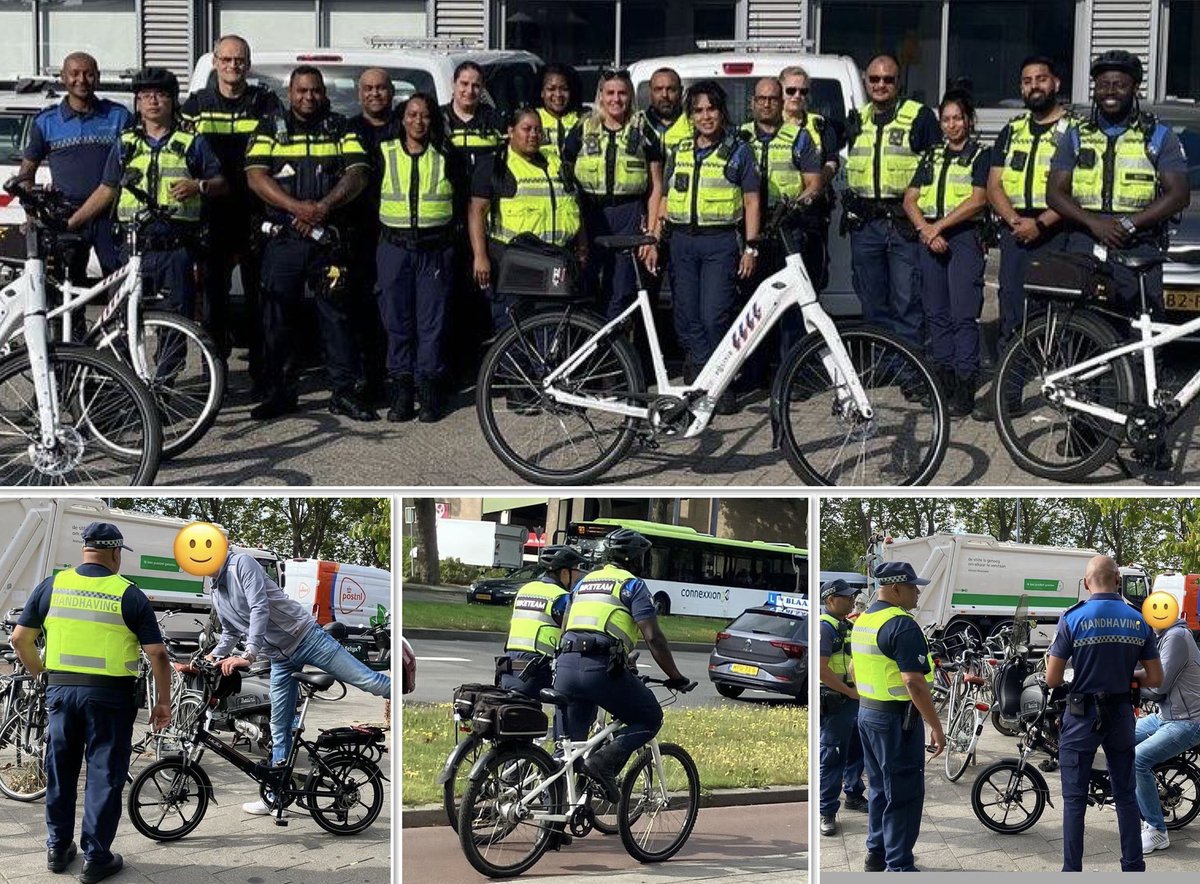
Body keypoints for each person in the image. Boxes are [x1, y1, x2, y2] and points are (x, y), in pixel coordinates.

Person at [9, 523, 171, 884]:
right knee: (103, 775)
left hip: (62, 694)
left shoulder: (53, 586)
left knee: (61, 770)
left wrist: (42, 676)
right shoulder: (128, 594)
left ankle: (57, 848)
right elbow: (157, 653)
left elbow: (20, 640)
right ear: (115, 553)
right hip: (110, 697)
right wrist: (163, 702)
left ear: (85, 551)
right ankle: (96, 858)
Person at [207, 546, 391, 815]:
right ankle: (275, 795)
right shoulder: (216, 588)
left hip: (307, 638)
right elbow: (231, 630)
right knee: (279, 726)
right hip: (280, 658)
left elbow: (260, 608)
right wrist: (213, 656)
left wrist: (248, 654)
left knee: (369, 681)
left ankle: (403, 698)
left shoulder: (241, 564)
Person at [245, 65, 375, 422]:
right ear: (290, 93)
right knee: (276, 319)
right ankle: (279, 393)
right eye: (301, 91)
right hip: (283, 240)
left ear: (324, 93)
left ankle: (343, 393)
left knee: (336, 317)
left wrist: (324, 207)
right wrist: (297, 209)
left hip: (328, 240)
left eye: (315, 91)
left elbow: (359, 172)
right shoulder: (269, 127)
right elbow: (256, 177)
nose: (309, 97)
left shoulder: (341, 126)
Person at [67, 68, 227, 324]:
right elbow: (107, 190)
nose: (153, 101)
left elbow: (221, 183)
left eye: (161, 95)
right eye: (146, 96)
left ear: (173, 101)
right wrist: (71, 223)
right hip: (131, 249)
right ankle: (123, 366)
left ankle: (170, 366)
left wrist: (199, 186)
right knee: (122, 321)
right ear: (138, 103)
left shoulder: (192, 142)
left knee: (174, 325)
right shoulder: (126, 143)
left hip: (175, 250)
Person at [1047, 50, 1191, 317]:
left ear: (1135, 88)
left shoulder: (1158, 135)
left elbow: (1179, 194)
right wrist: (1094, 223)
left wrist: (1130, 223)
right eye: (1102, 85)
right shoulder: (1076, 135)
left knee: (1141, 334)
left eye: (1119, 84)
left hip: (1139, 241)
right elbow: (1054, 193)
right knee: (1083, 328)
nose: (1109, 91)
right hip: (1085, 240)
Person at [553, 528, 691, 803]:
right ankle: (603, 763)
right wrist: (675, 676)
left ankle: (553, 826)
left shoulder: (583, 584)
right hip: (599, 671)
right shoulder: (632, 585)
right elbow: (654, 637)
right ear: (635, 559)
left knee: (567, 753)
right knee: (649, 716)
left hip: (565, 668)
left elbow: (568, 627)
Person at [1046, 554, 1162, 871]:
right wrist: (1130, 676)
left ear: (1086, 583)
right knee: (1125, 795)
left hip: (1081, 715)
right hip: (1122, 713)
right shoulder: (1138, 619)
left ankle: (1072, 871)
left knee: (1073, 800)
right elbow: (1155, 678)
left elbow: (1053, 679)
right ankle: (1133, 866)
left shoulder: (1072, 618)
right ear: (1118, 581)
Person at [181, 35, 284, 384]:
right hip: (212, 213)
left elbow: (283, 150)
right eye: (226, 60)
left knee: (261, 297)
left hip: (257, 211)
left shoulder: (265, 103)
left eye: (239, 60)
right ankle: (215, 375)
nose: (232, 66)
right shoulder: (197, 104)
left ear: (248, 64)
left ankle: (262, 373)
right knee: (213, 302)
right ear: (215, 62)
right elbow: (181, 154)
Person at [661, 80, 761, 411]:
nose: (706, 117)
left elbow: (751, 202)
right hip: (682, 242)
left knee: (714, 317)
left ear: (722, 112)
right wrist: (656, 237)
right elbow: (665, 196)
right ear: (690, 116)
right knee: (686, 317)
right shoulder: (679, 151)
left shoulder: (738, 151)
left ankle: (719, 384)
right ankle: (701, 383)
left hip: (719, 244)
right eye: (698, 110)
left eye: (711, 109)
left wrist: (751, 247)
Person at [850, 561, 946, 873]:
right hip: (895, 722)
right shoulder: (902, 624)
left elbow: (853, 669)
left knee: (879, 788)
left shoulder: (864, 620)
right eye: (912, 586)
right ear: (895, 589)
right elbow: (914, 682)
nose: (918, 592)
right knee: (903, 795)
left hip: (868, 714)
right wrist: (935, 725)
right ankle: (900, 867)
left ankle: (876, 854)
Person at [983, 56, 1076, 371]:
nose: (1034, 86)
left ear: (1056, 83)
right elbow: (994, 185)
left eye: (1041, 78)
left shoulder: (1076, 130)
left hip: (1058, 231)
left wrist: (1040, 223)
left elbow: (1079, 188)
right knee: (1012, 312)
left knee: (1059, 314)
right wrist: (1014, 221)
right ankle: (1009, 392)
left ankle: (1067, 390)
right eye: (1027, 81)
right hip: (1016, 232)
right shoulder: (1011, 131)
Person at [843, 54, 941, 350]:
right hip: (866, 225)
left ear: (899, 82)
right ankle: (883, 366)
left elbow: (936, 167)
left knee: (907, 300)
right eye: (874, 79)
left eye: (888, 79)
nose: (881, 84)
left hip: (903, 224)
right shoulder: (856, 120)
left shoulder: (920, 116)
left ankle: (912, 373)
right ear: (865, 81)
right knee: (872, 301)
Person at [903, 89, 989, 418]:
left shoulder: (981, 155)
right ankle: (944, 381)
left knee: (962, 315)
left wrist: (937, 227)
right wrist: (926, 230)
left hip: (963, 238)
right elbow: (910, 199)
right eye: (946, 119)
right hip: (930, 239)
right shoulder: (931, 156)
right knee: (936, 313)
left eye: (957, 118)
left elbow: (979, 199)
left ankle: (966, 385)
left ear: (968, 120)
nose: (952, 125)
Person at [375, 92, 461, 422]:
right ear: (402, 119)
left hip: (435, 250)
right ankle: (401, 395)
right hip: (394, 249)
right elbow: (371, 201)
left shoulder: (445, 154)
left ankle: (429, 394)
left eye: (424, 115)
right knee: (396, 324)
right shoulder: (385, 151)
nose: (418, 122)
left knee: (431, 325)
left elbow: (462, 198)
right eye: (412, 115)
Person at [17, 52, 132, 283]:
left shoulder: (119, 116)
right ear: (62, 78)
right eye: (74, 74)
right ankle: (73, 322)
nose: (82, 80)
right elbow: (26, 173)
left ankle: (118, 321)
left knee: (120, 285)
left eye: (89, 74)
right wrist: (31, 214)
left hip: (111, 216)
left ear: (97, 78)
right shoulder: (46, 121)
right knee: (67, 290)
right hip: (66, 217)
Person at [468, 107, 584, 331]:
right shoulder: (495, 165)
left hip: (554, 260)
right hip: (513, 263)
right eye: (526, 129)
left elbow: (574, 204)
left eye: (538, 130)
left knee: (552, 333)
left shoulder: (556, 163)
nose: (533, 135)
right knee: (513, 334)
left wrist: (582, 246)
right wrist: (480, 256)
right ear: (511, 131)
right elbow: (476, 212)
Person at [739, 75, 825, 376]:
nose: (766, 103)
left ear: (781, 102)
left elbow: (814, 184)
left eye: (773, 98)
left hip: (788, 228)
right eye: (761, 98)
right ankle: (754, 373)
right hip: (750, 230)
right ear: (752, 102)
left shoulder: (799, 137)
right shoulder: (739, 136)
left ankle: (792, 375)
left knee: (789, 305)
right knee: (753, 303)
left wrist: (797, 204)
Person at [561, 69, 663, 318]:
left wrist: (651, 234)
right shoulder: (583, 129)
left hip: (628, 215)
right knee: (584, 286)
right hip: (589, 215)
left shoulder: (643, 132)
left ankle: (612, 352)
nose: (616, 99)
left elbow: (656, 186)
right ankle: (584, 348)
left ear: (630, 96)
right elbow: (565, 176)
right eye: (610, 93)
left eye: (622, 93)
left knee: (621, 290)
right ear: (600, 96)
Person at [344, 67, 396, 407]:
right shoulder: (348, 129)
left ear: (391, 93)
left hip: (395, 231)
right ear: (359, 93)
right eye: (368, 88)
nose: (374, 94)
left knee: (394, 310)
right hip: (357, 232)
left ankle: (397, 378)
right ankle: (367, 381)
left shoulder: (404, 126)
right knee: (360, 311)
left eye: (380, 88)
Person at [1133, 607, 1200, 854]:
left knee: (1137, 759)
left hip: (1189, 721)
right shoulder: (1161, 635)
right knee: (1121, 737)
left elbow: (1158, 685)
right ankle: (1136, 797)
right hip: (1165, 715)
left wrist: (1125, 680)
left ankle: (1157, 830)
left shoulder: (1176, 637)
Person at [498, 544, 587, 699]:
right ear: (564, 572)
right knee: (581, 696)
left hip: (507, 670)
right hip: (535, 673)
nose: (578, 575)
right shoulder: (562, 598)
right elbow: (574, 634)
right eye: (576, 570)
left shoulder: (525, 590)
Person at [818, 579, 867, 837]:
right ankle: (826, 811)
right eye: (845, 597)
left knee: (856, 751)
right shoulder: (825, 628)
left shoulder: (846, 625)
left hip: (852, 700)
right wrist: (849, 692)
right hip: (836, 701)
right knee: (832, 756)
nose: (851, 600)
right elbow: (821, 669)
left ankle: (854, 795)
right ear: (830, 600)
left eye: (851, 596)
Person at [537, 64, 582, 163]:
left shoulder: (582, 119)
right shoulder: (533, 119)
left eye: (564, 89)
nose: (558, 94)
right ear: (542, 92)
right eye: (551, 89)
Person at [641, 67, 691, 155]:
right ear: (650, 92)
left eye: (671, 89)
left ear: (681, 91)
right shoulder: (637, 125)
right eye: (658, 89)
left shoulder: (694, 126)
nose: (664, 95)